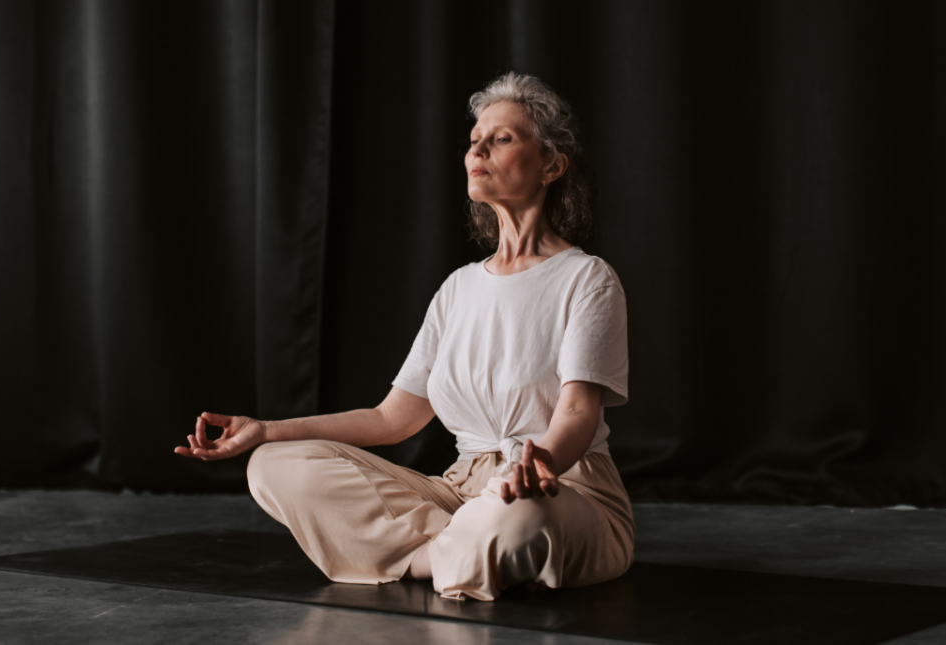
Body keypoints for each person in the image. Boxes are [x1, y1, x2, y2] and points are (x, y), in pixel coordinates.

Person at [175, 72, 633, 602]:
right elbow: (392, 420)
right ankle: (457, 555)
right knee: (275, 465)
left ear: (551, 166)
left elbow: (578, 413)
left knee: (519, 516)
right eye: (473, 140)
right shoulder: (459, 287)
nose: (476, 149)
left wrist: (542, 462)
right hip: (460, 493)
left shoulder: (587, 278)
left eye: (501, 138)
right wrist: (268, 430)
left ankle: (425, 554)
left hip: (559, 489)